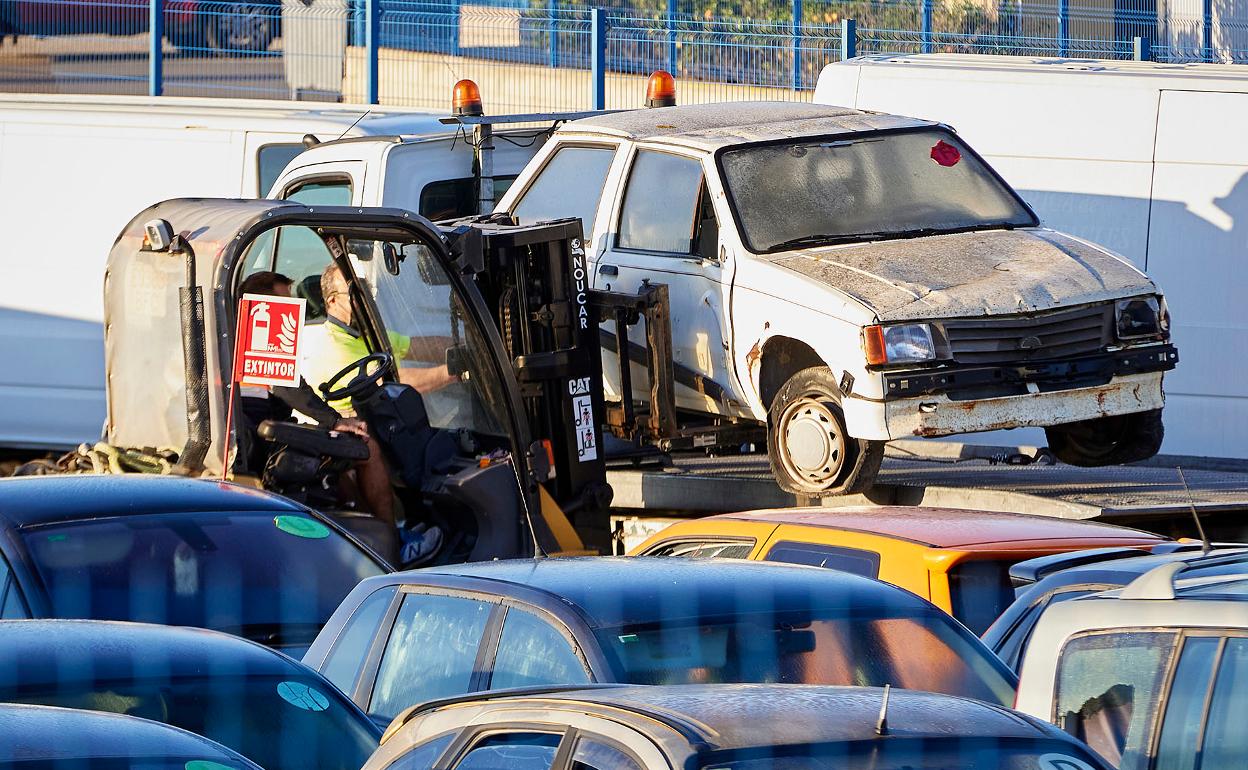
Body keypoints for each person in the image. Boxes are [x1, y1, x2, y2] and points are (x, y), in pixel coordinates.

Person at [235, 271, 442, 565]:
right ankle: (393, 550)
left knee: (339, 459)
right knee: (365, 447)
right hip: (264, 440)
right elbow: (287, 387)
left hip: (261, 434)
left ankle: (371, 541)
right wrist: (335, 421)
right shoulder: (264, 326)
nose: (292, 311)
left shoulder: (234, 333)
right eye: (285, 301)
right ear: (263, 304)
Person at [302, 263, 458, 416]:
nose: (365, 300)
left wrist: (465, 346)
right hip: (358, 431)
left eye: (365, 291)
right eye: (355, 294)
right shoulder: (332, 347)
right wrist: (456, 371)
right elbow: (388, 382)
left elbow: (419, 346)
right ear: (333, 301)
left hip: (383, 420)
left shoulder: (363, 333)